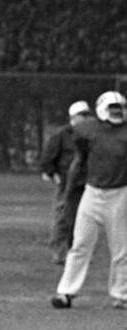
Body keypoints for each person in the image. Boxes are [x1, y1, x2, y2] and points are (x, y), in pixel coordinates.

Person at [51, 90, 127, 310]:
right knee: (80, 244)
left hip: (120, 193)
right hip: (92, 192)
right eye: (113, 108)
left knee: (121, 249)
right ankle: (66, 292)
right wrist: (68, 191)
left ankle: (121, 294)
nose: (117, 112)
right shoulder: (88, 131)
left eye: (119, 108)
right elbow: (78, 160)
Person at [38, 100, 93, 265]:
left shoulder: (91, 134)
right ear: (73, 117)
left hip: (87, 183)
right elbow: (48, 157)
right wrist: (52, 174)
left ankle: (75, 252)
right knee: (63, 217)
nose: (85, 118)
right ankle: (59, 253)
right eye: (82, 115)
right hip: (67, 182)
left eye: (87, 115)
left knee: (82, 220)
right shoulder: (61, 135)